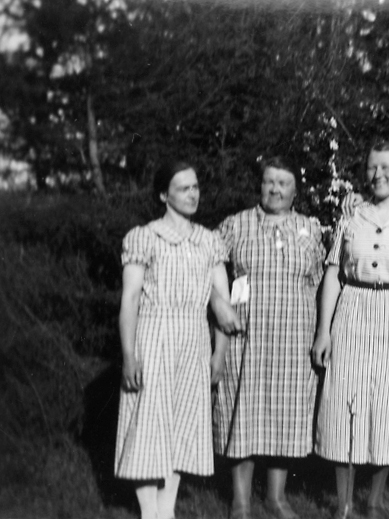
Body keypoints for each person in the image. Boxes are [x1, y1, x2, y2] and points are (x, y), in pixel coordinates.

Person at [312, 140, 389, 519]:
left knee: (388, 406)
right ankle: (344, 505)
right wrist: (323, 330)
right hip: (353, 310)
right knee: (342, 403)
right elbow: (332, 274)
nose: (378, 174)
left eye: (385, 167)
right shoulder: (352, 216)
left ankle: (373, 502)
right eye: (371, 167)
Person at [115, 160, 240, 519]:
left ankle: (166, 510)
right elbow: (130, 299)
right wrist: (129, 354)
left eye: (195, 186)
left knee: (182, 423)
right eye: (183, 188)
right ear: (163, 195)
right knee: (148, 423)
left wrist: (219, 354)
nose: (192, 194)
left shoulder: (209, 241)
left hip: (194, 338)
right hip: (153, 336)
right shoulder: (144, 237)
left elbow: (222, 303)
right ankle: (148, 511)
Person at [212, 156, 326, 519]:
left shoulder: (310, 228)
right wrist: (219, 303)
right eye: (269, 182)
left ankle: (277, 498)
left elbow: (319, 282)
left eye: (283, 183)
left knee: (286, 415)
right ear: (260, 185)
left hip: (294, 338)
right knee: (243, 412)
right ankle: (241, 501)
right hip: (248, 337)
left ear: (295, 190)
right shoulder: (236, 224)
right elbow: (207, 268)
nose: (275, 189)